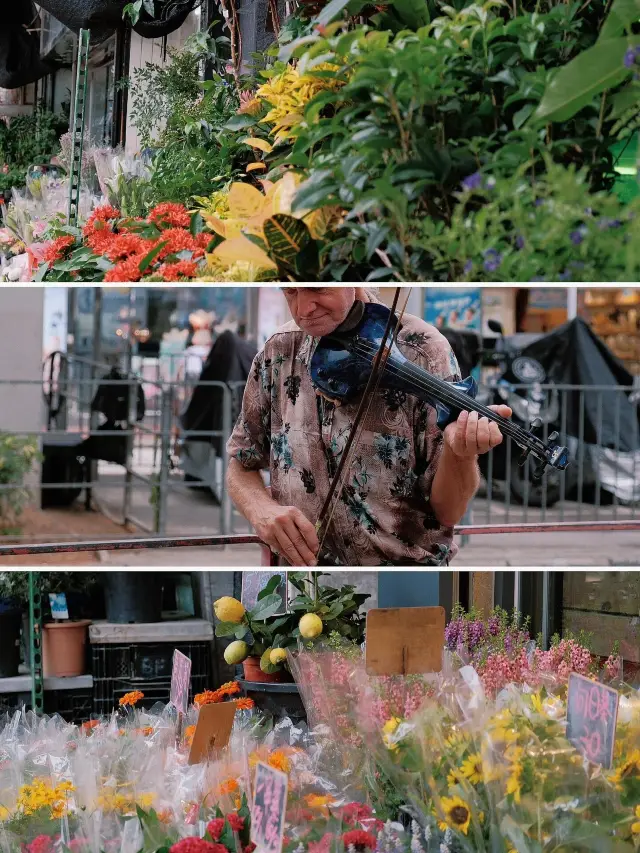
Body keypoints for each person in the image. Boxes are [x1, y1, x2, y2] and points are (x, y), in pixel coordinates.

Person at [226, 287, 512, 567]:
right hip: (303, 581)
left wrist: (460, 454)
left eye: (318, 289)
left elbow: (449, 512)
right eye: (290, 292)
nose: (303, 309)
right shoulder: (278, 350)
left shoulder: (422, 349)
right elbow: (240, 463)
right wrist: (260, 509)